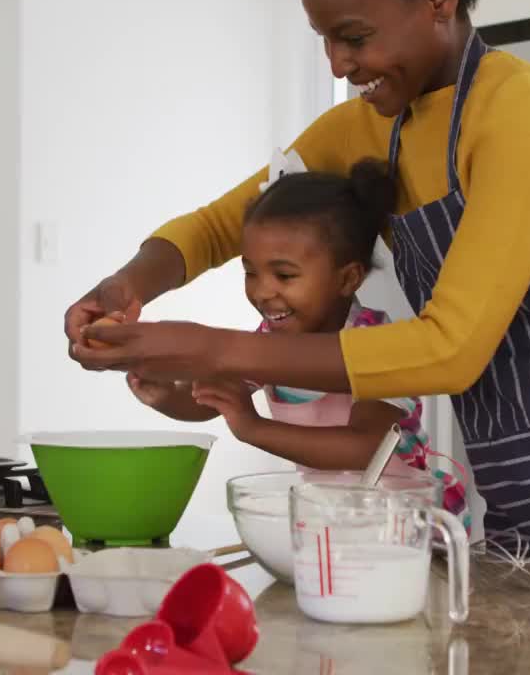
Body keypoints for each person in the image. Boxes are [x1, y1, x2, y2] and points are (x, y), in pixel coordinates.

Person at [65, 0, 530, 599]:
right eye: (324, 38)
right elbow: (227, 222)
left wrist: (211, 347)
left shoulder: (523, 112)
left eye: (354, 35)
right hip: (523, 462)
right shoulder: (368, 127)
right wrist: (128, 286)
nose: (340, 63)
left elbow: (451, 350)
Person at [124, 161, 471, 531]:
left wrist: (254, 428)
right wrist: (165, 397)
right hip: (337, 526)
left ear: (348, 278)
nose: (261, 291)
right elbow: (214, 400)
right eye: (250, 272)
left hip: (414, 530)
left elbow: (364, 447)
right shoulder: (268, 342)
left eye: (284, 275)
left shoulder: (374, 340)